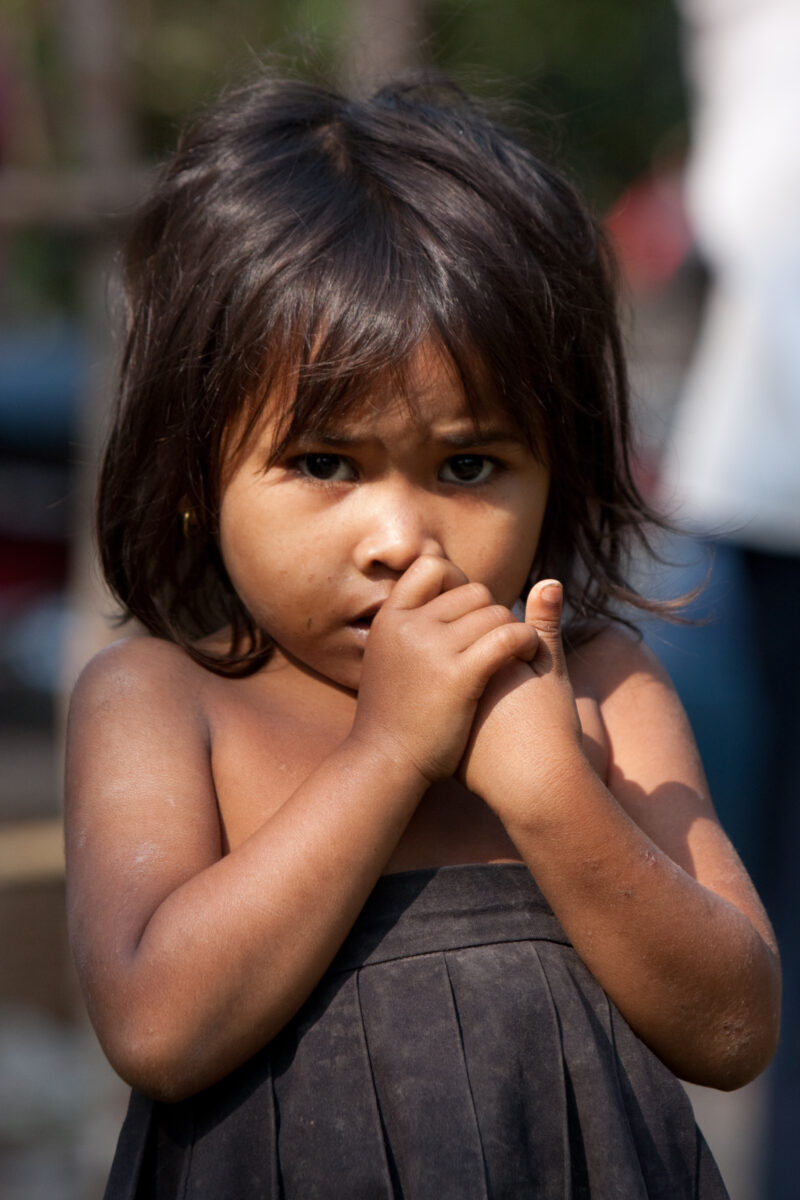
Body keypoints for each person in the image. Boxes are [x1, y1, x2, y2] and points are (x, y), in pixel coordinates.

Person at [63, 76, 780, 1199]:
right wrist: (385, 754)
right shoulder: (162, 701)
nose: (401, 538)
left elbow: (733, 1029)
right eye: (323, 464)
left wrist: (552, 795)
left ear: (561, 471)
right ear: (197, 469)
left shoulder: (597, 687)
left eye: (466, 466)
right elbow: (157, 1027)